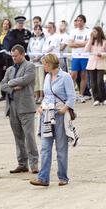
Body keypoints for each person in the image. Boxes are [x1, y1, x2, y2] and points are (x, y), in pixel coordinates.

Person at [30, 53, 76, 187]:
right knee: (45, 147)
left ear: (50, 64)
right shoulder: (47, 77)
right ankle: (43, 178)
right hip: (46, 115)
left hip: (60, 115)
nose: (43, 66)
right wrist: (41, 106)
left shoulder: (65, 77)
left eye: (44, 64)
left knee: (61, 148)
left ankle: (63, 177)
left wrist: (65, 108)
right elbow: (47, 96)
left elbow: (71, 97)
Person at [1, 45, 39, 174]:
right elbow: (3, 84)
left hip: (26, 106)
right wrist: (12, 87)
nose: (13, 58)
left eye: (16, 56)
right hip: (12, 107)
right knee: (18, 137)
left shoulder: (30, 66)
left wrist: (11, 83)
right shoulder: (10, 69)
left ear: (22, 54)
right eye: (12, 56)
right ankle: (22, 163)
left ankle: (34, 164)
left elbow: (25, 80)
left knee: (29, 136)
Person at [85, 26, 106, 106]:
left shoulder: (104, 41)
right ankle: (96, 99)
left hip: (100, 64)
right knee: (93, 83)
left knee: (100, 82)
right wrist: (90, 39)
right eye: (93, 32)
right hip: (91, 64)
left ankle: (104, 98)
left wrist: (102, 54)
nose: (93, 33)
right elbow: (86, 50)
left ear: (99, 32)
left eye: (95, 32)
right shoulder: (91, 41)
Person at [69, 14, 91, 103]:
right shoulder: (73, 32)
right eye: (77, 20)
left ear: (84, 22)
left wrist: (76, 43)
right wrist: (82, 43)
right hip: (75, 56)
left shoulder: (88, 31)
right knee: (73, 75)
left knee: (83, 75)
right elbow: (70, 44)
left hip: (85, 56)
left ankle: (81, 94)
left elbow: (88, 43)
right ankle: (71, 94)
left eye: (81, 20)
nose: (79, 22)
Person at [27, 25, 46, 104]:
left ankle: (41, 96)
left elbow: (44, 49)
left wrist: (39, 57)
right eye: (36, 29)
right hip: (33, 62)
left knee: (41, 79)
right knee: (35, 80)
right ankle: (36, 96)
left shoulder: (44, 39)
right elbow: (28, 50)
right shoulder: (31, 39)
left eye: (39, 29)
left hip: (40, 62)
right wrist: (32, 57)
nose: (37, 31)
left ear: (41, 31)